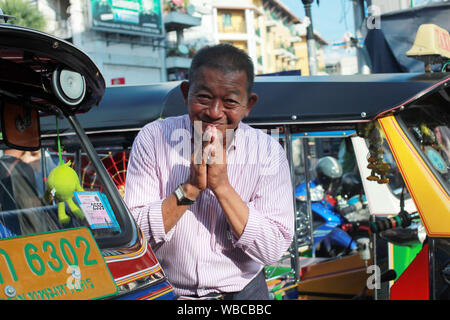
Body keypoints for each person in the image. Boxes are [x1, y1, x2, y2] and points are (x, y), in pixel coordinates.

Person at [124, 44, 294, 299]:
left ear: (249, 105)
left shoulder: (267, 151)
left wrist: (223, 188)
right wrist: (190, 189)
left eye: (230, 102)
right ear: (185, 93)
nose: (214, 113)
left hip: (243, 294)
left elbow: (272, 249)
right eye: (203, 98)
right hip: (169, 292)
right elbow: (135, 237)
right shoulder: (154, 138)